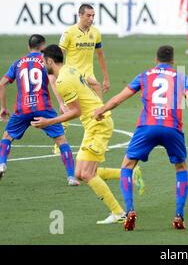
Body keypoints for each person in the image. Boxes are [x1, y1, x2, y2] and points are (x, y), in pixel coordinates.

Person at [94, 45, 188, 231]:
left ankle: (130, 210)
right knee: (180, 167)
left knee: (127, 166)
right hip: (172, 129)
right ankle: (179, 215)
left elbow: (118, 99)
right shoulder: (181, 78)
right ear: (173, 61)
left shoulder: (144, 75)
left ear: (155, 60)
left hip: (147, 127)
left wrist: (101, 110)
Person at [32, 44, 144, 225]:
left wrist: (48, 122)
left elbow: (75, 112)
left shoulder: (62, 82)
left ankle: (118, 212)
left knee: (86, 174)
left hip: (97, 126)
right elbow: (94, 83)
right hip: (94, 124)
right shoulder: (70, 69)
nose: (43, 64)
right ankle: (129, 173)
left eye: (44, 61)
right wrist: (97, 105)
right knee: (78, 173)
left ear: (50, 61)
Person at [0, 35, 79, 186]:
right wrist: (61, 103)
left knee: (7, 136)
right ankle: (71, 177)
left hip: (23, 109)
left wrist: (3, 107)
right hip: (43, 107)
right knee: (61, 140)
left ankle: (2, 164)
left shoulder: (18, 62)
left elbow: (1, 85)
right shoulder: (45, 61)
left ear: (28, 47)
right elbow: (53, 81)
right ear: (43, 47)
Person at [50, 3, 110, 154]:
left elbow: (100, 55)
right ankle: (59, 141)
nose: (91, 18)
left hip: (89, 75)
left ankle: (97, 139)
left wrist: (106, 77)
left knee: (97, 107)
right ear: (80, 15)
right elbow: (59, 55)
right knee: (69, 109)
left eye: (93, 16)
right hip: (72, 75)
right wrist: (59, 73)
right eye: (88, 16)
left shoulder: (95, 33)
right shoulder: (69, 33)